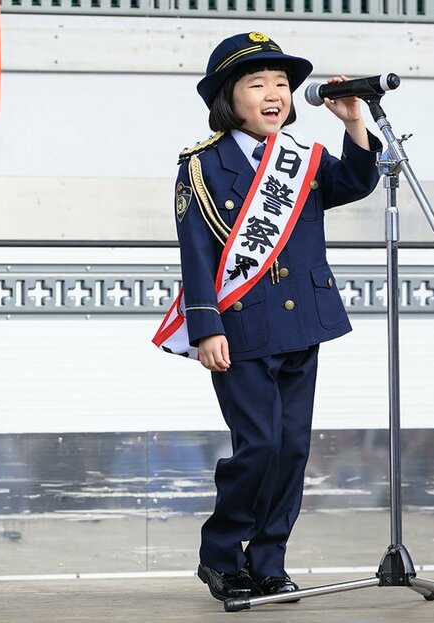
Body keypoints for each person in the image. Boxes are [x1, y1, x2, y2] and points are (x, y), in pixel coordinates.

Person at [154, 31, 381, 602]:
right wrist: (205, 327)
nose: (274, 94)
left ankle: (269, 559)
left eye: (282, 83)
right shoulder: (204, 166)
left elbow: (355, 181)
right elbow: (197, 252)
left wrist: (353, 123)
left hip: (303, 321)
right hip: (240, 330)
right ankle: (222, 557)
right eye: (257, 84)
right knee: (257, 446)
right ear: (229, 99)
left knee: (292, 449)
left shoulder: (303, 160)